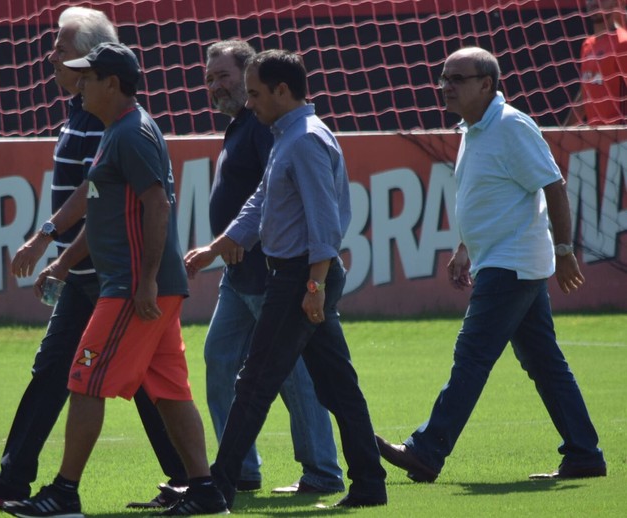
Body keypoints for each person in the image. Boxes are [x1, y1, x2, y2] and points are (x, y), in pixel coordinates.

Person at [0, 7, 187, 512]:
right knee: (67, 369)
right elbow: (97, 193)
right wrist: (53, 246)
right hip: (87, 271)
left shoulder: (118, 123)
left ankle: (84, 489)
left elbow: (121, 200)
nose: (52, 53)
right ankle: (19, 478)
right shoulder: (88, 114)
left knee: (107, 375)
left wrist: (62, 245)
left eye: (62, 45)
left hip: (111, 274)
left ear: (98, 69)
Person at [1, 42, 227, 517]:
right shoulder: (117, 131)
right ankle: (205, 491)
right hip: (143, 286)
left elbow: (158, 205)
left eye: (89, 76)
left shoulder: (130, 133)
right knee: (169, 391)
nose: (79, 84)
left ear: (113, 84)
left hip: (132, 289)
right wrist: (60, 259)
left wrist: (144, 280)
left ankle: (64, 493)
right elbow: (103, 208)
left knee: (84, 380)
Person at [376, 46, 606, 483]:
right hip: (499, 260)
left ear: (487, 84)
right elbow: (484, 196)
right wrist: (464, 248)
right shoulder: (474, 128)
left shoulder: (511, 125)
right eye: (443, 77)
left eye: (457, 78)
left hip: (512, 263)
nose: (446, 86)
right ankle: (585, 454)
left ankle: (426, 451)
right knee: (544, 362)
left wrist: (564, 251)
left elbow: (554, 187)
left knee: (472, 356)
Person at [185, 49, 387, 510]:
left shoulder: (305, 140)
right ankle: (370, 484)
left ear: (282, 90)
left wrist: (314, 286)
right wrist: (218, 247)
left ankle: (217, 487)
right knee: (337, 385)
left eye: (255, 93)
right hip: (298, 277)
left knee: (255, 381)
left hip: (300, 278)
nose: (249, 102)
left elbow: (324, 223)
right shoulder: (285, 136)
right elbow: (260, 203)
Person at [197, 38, 344, 495]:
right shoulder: (247, 124)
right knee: (219, 359)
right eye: (209, 78)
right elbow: (261, 197)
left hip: (269, 271)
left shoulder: (270, 127)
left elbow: (283, 204)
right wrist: (222, 245)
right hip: (238, 273)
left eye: (225, 76)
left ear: (251, 80)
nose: (215, 85)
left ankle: (322, 470)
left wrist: (303, 277)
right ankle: (239, 467)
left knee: (293, 374)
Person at [565, 0, 627, 125]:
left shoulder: (623, 44)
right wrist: (563, 133)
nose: (595, 1)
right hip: (595, 138)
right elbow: (585, 94)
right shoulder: (587, 45)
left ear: (616, 3)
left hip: (620, 139)